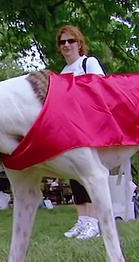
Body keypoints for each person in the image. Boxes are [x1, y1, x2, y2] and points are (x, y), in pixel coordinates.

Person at [56, 25, 106, 240]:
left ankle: (95, 222)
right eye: (62, 42)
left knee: (90, 174)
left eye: (70, 41)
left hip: (91, 126)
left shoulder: (89, 62)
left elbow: (101, 89)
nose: (67, 45)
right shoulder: (62, 74)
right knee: (75, 175)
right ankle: (83, 220)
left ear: (79, 43)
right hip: (71, 130)